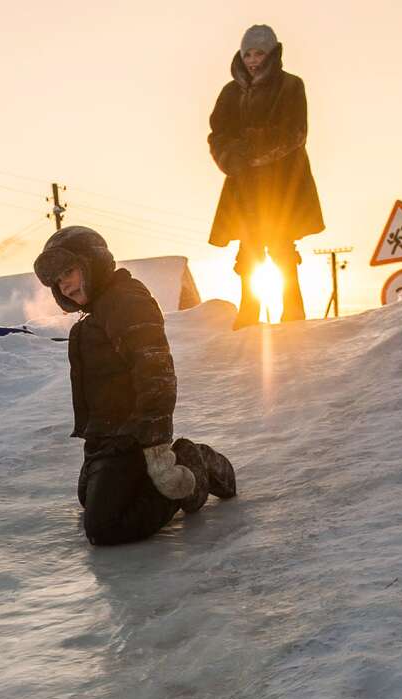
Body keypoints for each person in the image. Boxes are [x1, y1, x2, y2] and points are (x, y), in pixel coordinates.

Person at [32, 225, 239, 547]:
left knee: (105, 527)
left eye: (69, 271)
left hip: (133, 434)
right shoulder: (100, 309)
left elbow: (155, 371)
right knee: (91, 499)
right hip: (107, 436)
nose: (65, 284)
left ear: (93, 262)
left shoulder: (126, 301)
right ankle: (146, 475)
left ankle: (192, 466)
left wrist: (155, 440)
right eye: (58, 280)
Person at [207, 23, 324, 328]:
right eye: (248, 54)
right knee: (249, 250)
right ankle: (248, 316)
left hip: (283, 185)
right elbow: (218, 134)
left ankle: (293, 315)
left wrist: (250, 148)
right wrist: (230, 158)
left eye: (259, 53)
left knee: (283, 247)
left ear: (271, 53)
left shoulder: (291, 86)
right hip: (243, 185)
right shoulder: (230, 93)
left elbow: (295, 132)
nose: (254, 59)